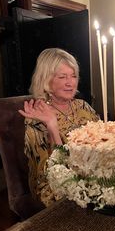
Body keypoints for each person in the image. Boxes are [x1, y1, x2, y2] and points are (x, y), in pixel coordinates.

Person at [19, 48, 99, 207]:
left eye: (73, 75)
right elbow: (52, 174)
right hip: (56, 184)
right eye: (62, 77)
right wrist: (52, 126)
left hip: (90, 170)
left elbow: (102, 144)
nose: (71, 83)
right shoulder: (37, 117)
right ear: (46, 80)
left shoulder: (83, 106)